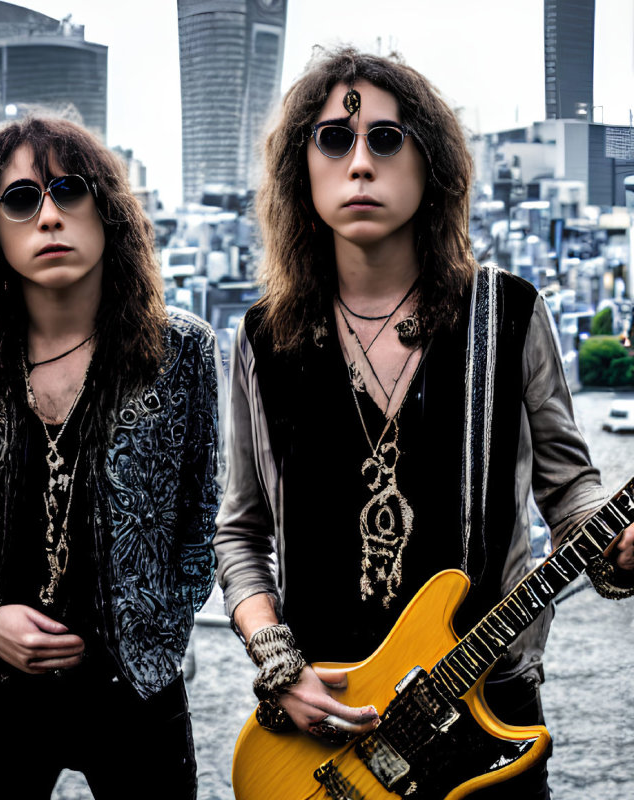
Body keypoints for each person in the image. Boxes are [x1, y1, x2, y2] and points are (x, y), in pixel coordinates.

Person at [214, 47, 634, 799]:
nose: (360, 163)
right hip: (323, 731)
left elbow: (572, 495)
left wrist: (618, 545)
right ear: (298, 171)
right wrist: (281, 665)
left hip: (486, 714)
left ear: (431, 162)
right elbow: (241, 533)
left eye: (386, 137)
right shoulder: (264, 339)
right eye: (334, 140)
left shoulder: (508, 316)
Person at [0, 115, 222, 800]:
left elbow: (204, 524)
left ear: (106, 209)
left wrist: (151, 640)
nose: (48, 214)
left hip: (136, 691)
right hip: (4, 686)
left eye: (69, 189)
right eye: (21, 199)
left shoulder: (184, 354)